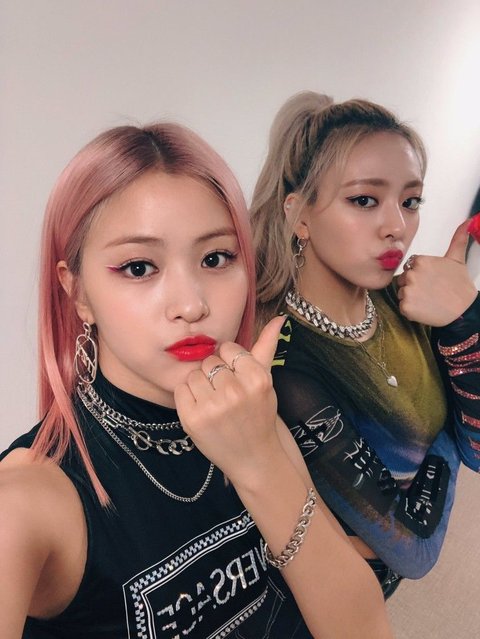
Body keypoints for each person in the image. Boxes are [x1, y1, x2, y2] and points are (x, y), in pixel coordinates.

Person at [0, 121, 392, 638]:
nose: (192, 305)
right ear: (78, 293)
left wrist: (260, 463)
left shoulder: (251, 417)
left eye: (215, 258)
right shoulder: (29, 500)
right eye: (138, 267)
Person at [250, 91, 480, 599]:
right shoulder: (286, 363)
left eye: (410, 201)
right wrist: (450, 433)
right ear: (300, 215)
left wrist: (463, 321)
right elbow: (412, 549)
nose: (397, 227)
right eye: (364, 200)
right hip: (332, 601)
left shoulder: (407, 302)